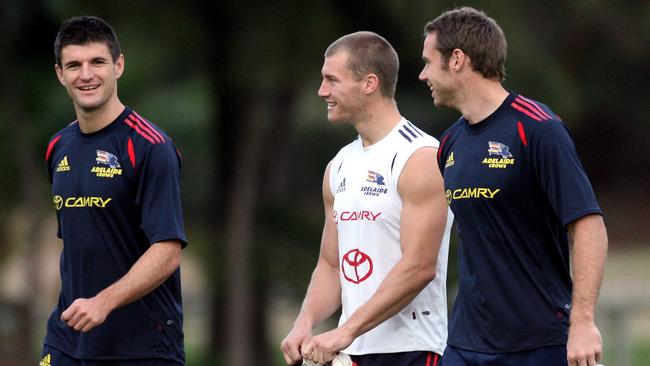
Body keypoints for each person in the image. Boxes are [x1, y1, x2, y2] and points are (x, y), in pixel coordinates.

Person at [418, 7, 608, 366]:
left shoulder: (538, 128)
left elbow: (588, 227)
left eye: (428, 62)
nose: (422, 73)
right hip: (464, 344)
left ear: (457, 59)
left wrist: (582, 323)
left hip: (537, 344)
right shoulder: (448, 144)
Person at [280, 31, 453, 366]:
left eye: (332, 80)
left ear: (369, 83)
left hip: (412, 350)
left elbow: (419, 267)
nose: (322, 91)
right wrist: (305, 322)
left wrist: (347, 330)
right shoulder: (338, 165)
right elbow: (332, 265)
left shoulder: (419, 156)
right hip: (353, 352)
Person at [42, 16, 187, 366]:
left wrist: (102, 302)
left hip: (141, 346)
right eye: (74, 64)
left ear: (118, 66)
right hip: (68, 340)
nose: (86, 74)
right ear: (60, 73)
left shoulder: (150, 147)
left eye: (98, 62)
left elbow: (167, 252)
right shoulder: (57, 147)